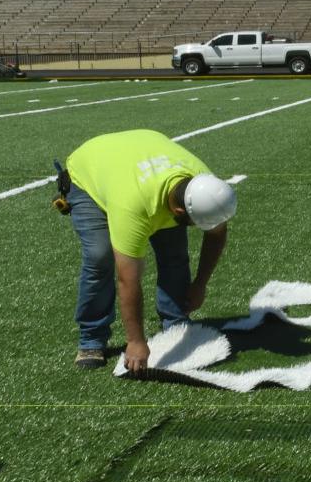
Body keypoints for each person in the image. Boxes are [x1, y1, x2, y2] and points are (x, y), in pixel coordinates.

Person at [63, 129, 236, 373]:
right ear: (178, 211)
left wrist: (200, 284)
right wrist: (135, 341)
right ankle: (92, 337)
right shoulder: (133, 206)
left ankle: (176, 323)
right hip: (88, 174)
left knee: (173, 252)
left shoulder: (204, 185)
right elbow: (127, 278)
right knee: (99, 257)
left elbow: (217, 234)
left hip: (140, 154)